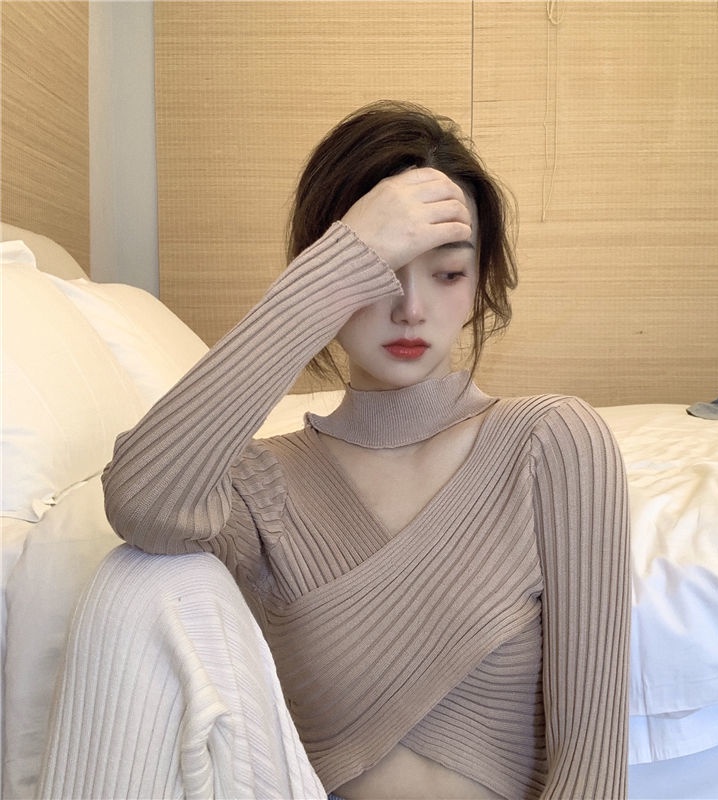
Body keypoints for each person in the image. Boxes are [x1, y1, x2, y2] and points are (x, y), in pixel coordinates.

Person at [102, 100, 630, 800]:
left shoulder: (548, 443)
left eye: (448, 274)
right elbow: (142, 504)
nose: (410, 308)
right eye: (380, 270)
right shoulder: (262, 480)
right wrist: (336, 265)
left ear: (480, 285)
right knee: (119, 582)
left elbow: (591, 765)